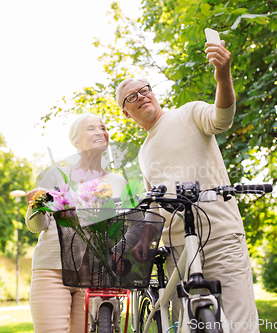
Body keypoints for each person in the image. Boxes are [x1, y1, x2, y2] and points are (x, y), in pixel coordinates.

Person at [115, 39, 259, 332]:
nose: (142, 96)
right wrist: (140, 247)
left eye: (145, 89)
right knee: (190, 325)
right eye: (132, 97)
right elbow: (154, 206)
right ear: (126, 113)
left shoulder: (189, 113)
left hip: (219, 235)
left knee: (239, 321)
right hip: (177, 249)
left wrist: (223, 75)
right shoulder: (144, 153)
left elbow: (222, 117)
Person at [25, 113, 126, 333]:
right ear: (75, 141)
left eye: (102, 128)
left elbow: (117, 226)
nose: (100, 131)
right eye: (91, 128)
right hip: (51, 269)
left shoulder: (117, 181)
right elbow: (36, 226)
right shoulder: (55, 174)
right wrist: (36, 204)